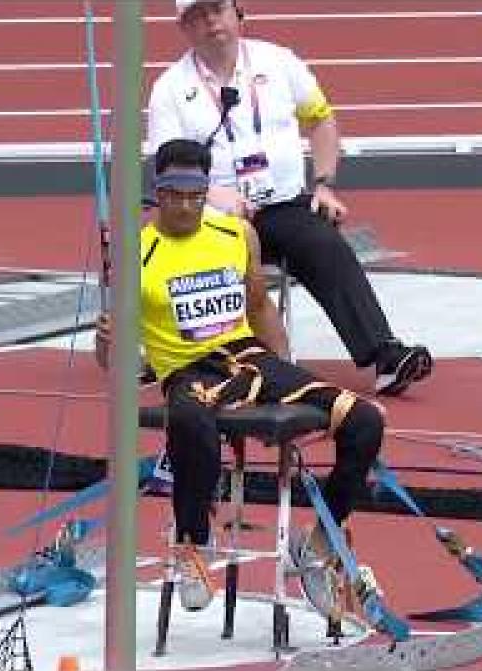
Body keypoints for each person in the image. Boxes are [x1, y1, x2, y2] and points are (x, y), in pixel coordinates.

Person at [95, 139, 384, 614]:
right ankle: (192, 543)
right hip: (188, 371)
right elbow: (115, 365)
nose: (186, 205)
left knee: (365, 421)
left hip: (250, 359)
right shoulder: (135, 254)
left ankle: (316, 546)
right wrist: (107, 340)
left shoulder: (236, 235)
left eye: (195, 193)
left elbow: (257, 305)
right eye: (174, 194)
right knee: (189, 421)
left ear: (206, 190)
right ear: (158, 194)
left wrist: (288, 368)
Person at [145, 0, 432, 397]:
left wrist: (325, 183)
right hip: (211, 217)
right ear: (184, 28)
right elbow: (169, 165)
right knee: (224, 262)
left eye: (218, 8)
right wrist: (213, 193)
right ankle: (214, 359)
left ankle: (385, 357)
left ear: (237, 13)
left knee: (324, 244)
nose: (211, 21)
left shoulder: (278, 62)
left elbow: (320, 119)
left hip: (282, 205)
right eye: (198, 14)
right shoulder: (170, 89)